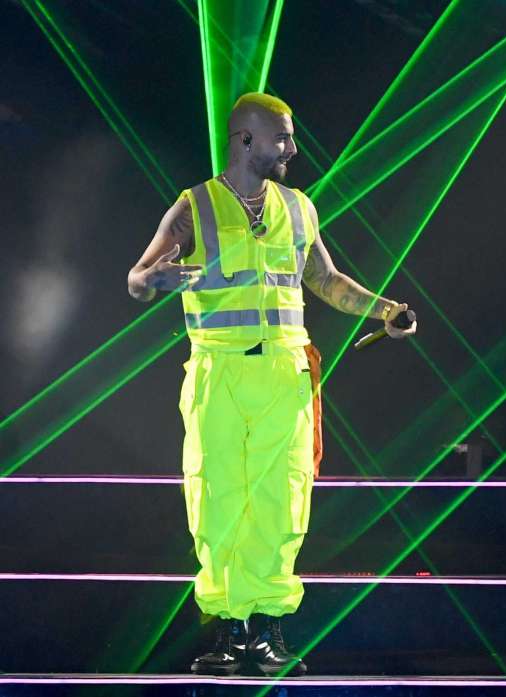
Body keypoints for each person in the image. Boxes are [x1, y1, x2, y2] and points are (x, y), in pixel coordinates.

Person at [127, 92, 416, 676]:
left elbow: (327, 280)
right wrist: (153, 278)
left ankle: (268, 629)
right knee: (216, 501)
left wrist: (386, 309)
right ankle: (225, 631)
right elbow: (138, 277)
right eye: (282, 138)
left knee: (283, 502)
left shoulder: (299, 207)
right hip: (219, 371)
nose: (293, 148)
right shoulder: (196, 206)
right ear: (246, 141)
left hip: (285, 372)